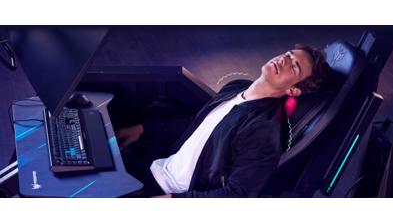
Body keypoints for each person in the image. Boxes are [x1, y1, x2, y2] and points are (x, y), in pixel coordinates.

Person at [116, 45, 331, 198]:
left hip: (167, 191)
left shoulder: (263, 130)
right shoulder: (237, 87)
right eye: (288, 54)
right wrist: (142, 129)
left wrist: (173, 200)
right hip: (155, 166)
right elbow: (197, 126)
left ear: (293, 90)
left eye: (294, 67)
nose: (284, 60)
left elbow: (238, 194)